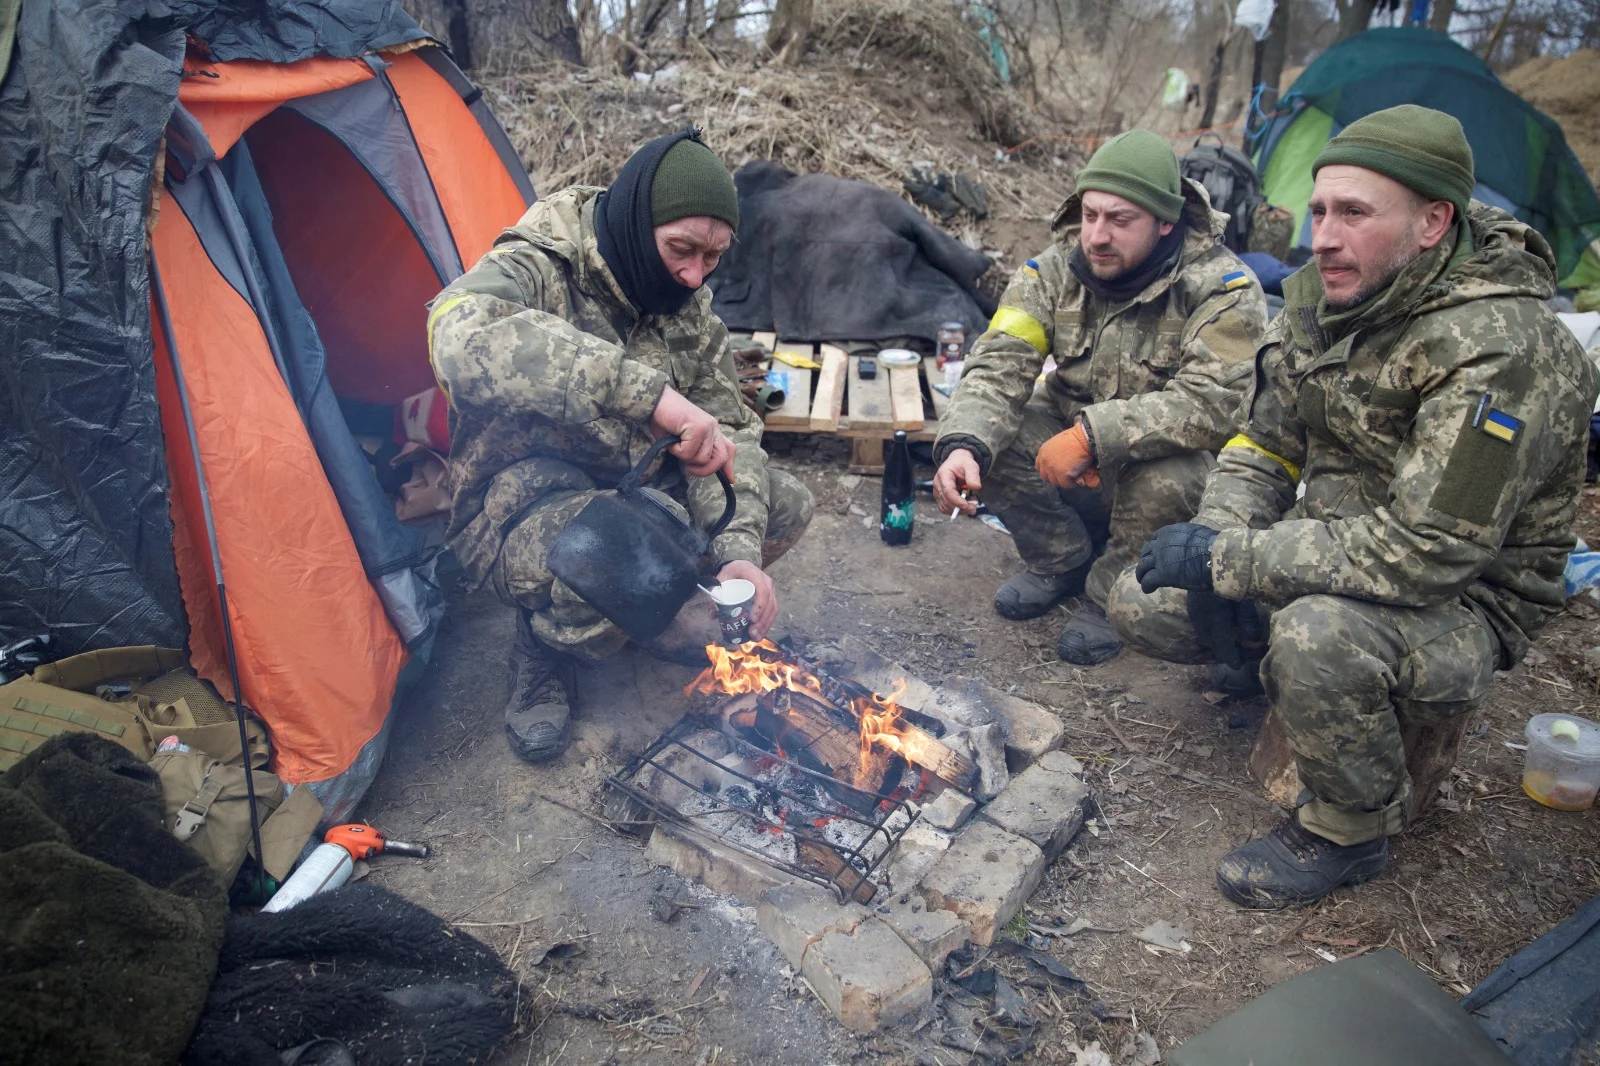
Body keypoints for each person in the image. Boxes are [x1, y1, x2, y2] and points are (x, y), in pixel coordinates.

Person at [1118, 105, 1599, 908]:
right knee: (1144, 601)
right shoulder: (1323, 294)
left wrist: (1228, 562)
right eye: (1318, 212)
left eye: (1354, 214)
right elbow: (1266, 444)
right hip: (1334, 542)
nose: (1325, 238)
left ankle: (1349, 831)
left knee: (1318, 636)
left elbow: (1425, 552)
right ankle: (1261, 672)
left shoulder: (1500, 350)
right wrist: (1220, 533)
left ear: (1432, 222)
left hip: (1462, 596)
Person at [428, 129, 814, 763]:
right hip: (519, 502)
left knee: (784, 501)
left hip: (630, 484)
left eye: (713, 257)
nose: (694, 275)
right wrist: (650, 396)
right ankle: (542, 646)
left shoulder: (687, 306)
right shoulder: (540, 267)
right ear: (639, 225)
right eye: (681, 251)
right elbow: (456, 333)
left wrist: (736, 554)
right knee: (627, 552)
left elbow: (732, 431)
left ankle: (645, 610)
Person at [931, 130, 1267, 665]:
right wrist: (963, 444)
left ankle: (1110, 592)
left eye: (1120, 220)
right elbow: (1000, 362)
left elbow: (1217, 403)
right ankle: (1060, 561)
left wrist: (1095, 435)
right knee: (993, 436)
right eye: (1090, 215)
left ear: (1165, 221)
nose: (1097, 236)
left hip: (1161, 455)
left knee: (1172, 476)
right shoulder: (1051, 272)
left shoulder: (1223, 288)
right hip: (1067, 439)